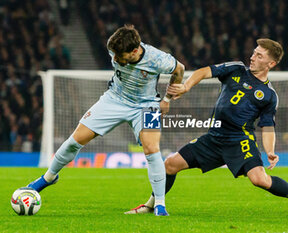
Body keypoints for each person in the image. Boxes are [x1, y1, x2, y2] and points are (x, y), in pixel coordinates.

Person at [125, 38, 288, 215]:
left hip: (240, 141)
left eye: (259, 55)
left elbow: (268, 126)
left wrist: (270, 151)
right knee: (170, 165)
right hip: (213, 138)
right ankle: (150, 205)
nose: (253, 56)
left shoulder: (269, 95)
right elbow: (205, 71)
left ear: (270, 63)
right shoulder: (236, 68)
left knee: (259, 179)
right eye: (254, 52)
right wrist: (186, 86)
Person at [27, 25, 185, 216]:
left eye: (121, 57)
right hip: (114, 100)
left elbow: (179, 69)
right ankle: (48, 177)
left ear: (135, 51)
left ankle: (159, 204)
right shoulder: (114, 47)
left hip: (147, 105)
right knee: (75, 140)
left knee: (152, 149)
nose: (115, 59)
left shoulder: (157, 58)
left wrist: (167, 100)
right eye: (114, 55)